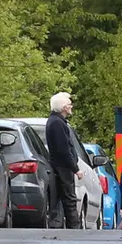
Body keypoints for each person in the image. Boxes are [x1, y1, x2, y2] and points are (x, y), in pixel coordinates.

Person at [45, 92, 83, 229]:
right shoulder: (57, 124)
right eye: (68, 104)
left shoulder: (56, 122)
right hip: (62, 167)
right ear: (63, 107)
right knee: (69, 198)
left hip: (60, 166)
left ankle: (63, 225)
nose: (70, 106)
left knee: (63, 198)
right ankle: (74, 227)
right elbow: (64, 149)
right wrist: (76, 169)